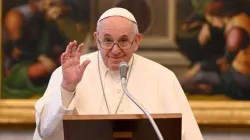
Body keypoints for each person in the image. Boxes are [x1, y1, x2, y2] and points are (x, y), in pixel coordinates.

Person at [33, 7, 203, 140]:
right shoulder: (67, 74)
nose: (115, 50)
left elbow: (189, 136)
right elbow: (46, 133)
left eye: (123, 40)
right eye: (107, 40)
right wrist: (68, 88)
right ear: (97, 39)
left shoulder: (163, 78)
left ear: (136, 41)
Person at [180, 0, 250, 100]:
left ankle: (170, 85)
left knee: (201, 76)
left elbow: (224, 64)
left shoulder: (236, 30)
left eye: (212, 20)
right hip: (238, 76)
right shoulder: (238, 20)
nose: (213, 24)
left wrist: (201, 66)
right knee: (201, 78)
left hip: (241, 79)